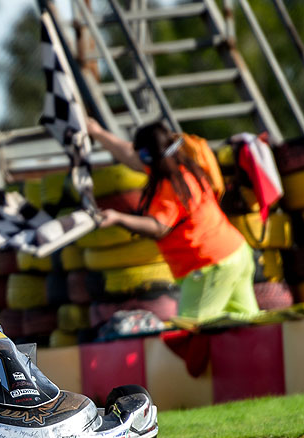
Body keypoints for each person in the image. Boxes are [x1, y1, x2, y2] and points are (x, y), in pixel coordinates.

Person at [86, 117, 259, 320]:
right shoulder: (183, 167)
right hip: (237, 253)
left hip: (210, 266)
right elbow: (130, 156)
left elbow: (158, 227)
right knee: (248, 324)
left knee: (190, 331)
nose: (137, 159)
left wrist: (118, 218)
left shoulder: (172, 186)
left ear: (148, 156)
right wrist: (97, 132)